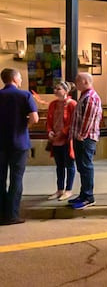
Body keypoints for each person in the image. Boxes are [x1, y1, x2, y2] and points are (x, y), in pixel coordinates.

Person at [0, 68, 38, 224]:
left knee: (0, 179)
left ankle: (1, 213)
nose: (21, 80)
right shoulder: (25, 95)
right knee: (16, 178)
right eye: (20, 78)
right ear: (15, 79)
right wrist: (24, 127)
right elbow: (34, 118)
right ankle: (12, 214)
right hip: (19, 142)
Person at [68, 72, 103, 210]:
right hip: (81, 137)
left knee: (86, 166)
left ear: (85, 81)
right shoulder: (84, 96)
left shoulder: (90, 97)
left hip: (85, 138)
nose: (75, 83)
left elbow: (88, 119)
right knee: (82, 167)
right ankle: (83, 194)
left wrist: (81, 135)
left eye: (77, 80)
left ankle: (88, 197)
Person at [46, 81, 77, 201]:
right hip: (55, 139)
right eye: (55, 89)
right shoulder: (53, 104)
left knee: (69, 165)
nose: (55, 91)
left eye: (58, 89)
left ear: (66, 91)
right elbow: (49, 120)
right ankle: (59, 189)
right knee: (59, 166)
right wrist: (49, 131)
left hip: (67, 139)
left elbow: (73, 122)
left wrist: (62, 133)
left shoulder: (72, 104)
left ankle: (68, 190)